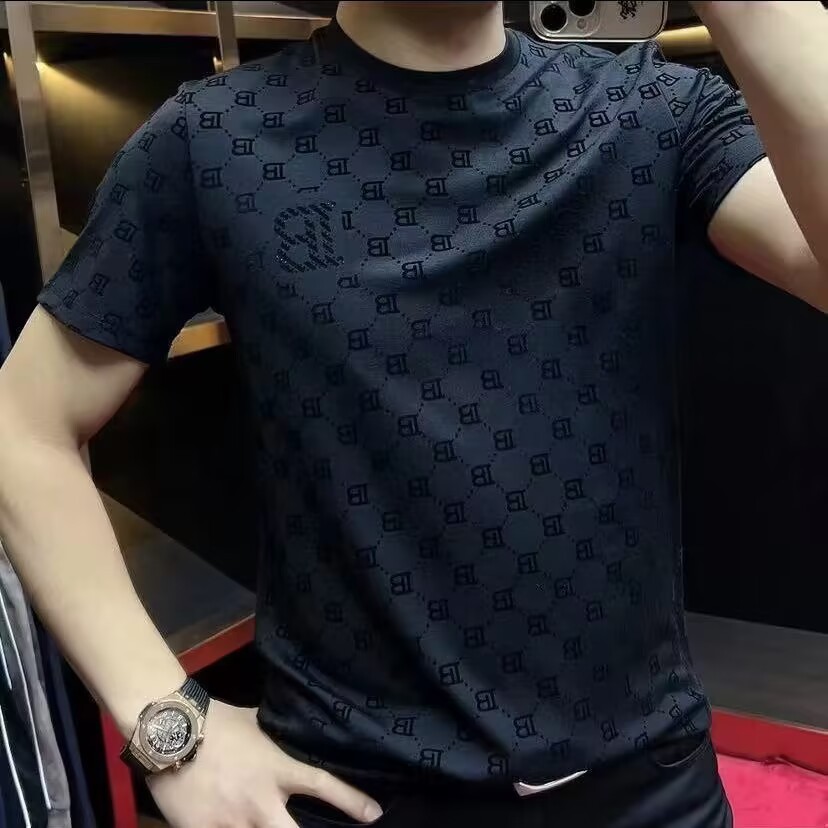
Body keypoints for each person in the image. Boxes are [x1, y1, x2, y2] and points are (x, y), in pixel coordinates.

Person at [0, 1, 825, 826]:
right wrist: (170, 728)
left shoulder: (652, 109)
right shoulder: (216, 137)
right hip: (355, 792)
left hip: (645, 784)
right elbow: (22, 428)